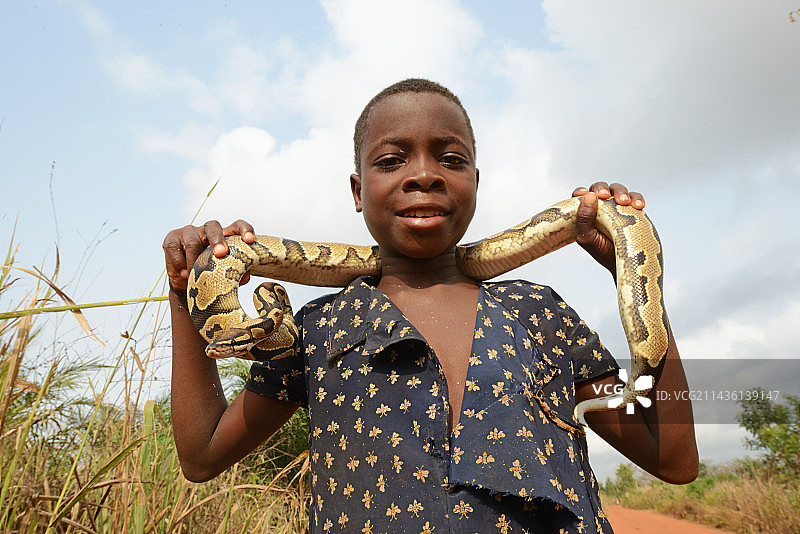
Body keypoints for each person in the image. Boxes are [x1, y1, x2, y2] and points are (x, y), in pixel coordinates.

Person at [163, 78, 698, 533]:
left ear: (475, 181)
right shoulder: (321, 328)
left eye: (451, 158)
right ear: (357, 190)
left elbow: (672, 460)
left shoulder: (538, 314)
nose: (425, 175)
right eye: (393, 160)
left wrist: (634, 269)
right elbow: (203, 454)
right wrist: (189, 288)